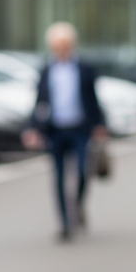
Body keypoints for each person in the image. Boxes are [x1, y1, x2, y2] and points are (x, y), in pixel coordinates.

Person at [22, 22, 107, 241]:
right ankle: (65, 224)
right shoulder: (46, 71)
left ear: (72, 45)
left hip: (79, 128)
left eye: (65, 45)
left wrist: (99, 125)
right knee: (58, 178)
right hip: (55, 130)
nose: (61, 49)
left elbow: (93, 100)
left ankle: (76, 205)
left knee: (81, 172)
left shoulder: (85, 69)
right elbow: (39, 103)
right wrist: (32, 128)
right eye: (57, 45)